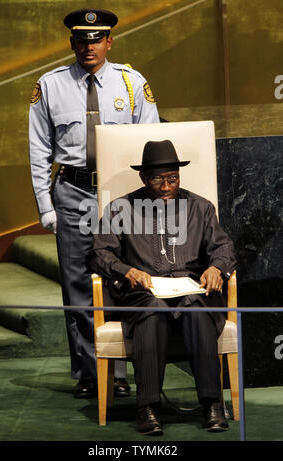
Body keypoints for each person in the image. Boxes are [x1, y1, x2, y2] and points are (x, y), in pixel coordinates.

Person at [29, 8, 160, 399]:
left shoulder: (131, 82)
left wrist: (149, 203)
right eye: (82, 40)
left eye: (96, 39)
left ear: (109, 42)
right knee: (78, 285)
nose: (89, 46)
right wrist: (45, 205)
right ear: (72, 43)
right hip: (72, 192)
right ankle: (91, 372)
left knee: (125, 279)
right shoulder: (50, 85)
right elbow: (38, 150)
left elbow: (150, 143)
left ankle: (121, 371)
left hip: (121, 193)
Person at [87, 139, 237, 435]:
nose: (167, 186)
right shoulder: (121, 209)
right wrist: (126, 270)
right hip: (143, 293)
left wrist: (216, 267)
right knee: (152, 310)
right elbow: (98, 253)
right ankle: (148, 408)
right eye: (158, 179)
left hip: (190, 290)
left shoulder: (200, 208)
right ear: (144, 178)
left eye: (173, 178)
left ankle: (212, 405)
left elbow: (224, 247)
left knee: (196, 307)